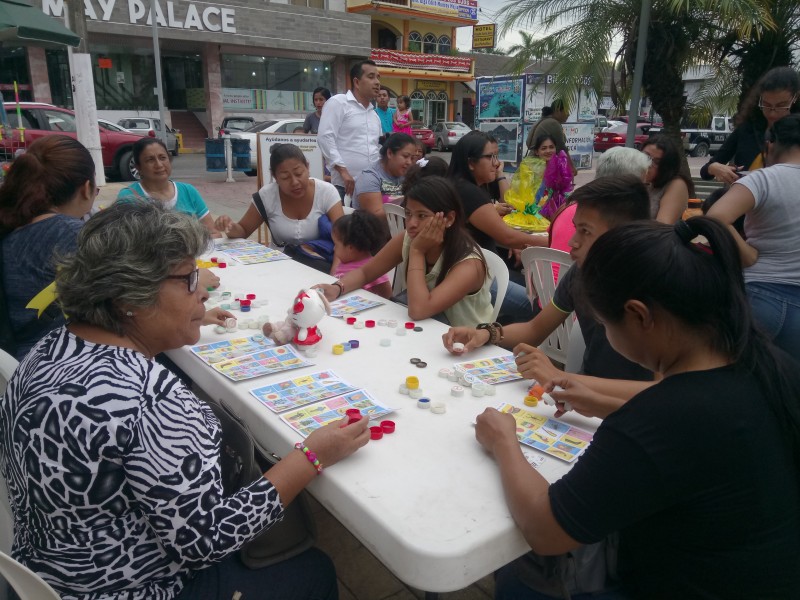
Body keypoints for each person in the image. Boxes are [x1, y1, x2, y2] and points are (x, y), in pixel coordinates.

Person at [0, 200, 371, 600]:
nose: (203, 294)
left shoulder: (49, 348)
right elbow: (206, 542)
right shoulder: (151, 400)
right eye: (189, 280)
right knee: (313, 570)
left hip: (49, 573)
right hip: (130, 588)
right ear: (132, 295)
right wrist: (311, 456)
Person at [477, 217, 800, 599]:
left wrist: (504, 442)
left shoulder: (661, 417)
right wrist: (599, 402)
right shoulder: (769, 365)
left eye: (604, 324)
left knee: (520, 578)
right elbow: (693, 438)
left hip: (683, 583)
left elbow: (546, 531)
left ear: (639, 315)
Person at [444, 176, 655, 393]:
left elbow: (662, 392)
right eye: (575, 228)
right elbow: (535, 329)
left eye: (586, 231)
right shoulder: (582, 273)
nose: (573, 241)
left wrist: (561, 377)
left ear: (623, 236)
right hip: (583, 398)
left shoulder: (654, 291)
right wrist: (487, 334)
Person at [316, 176, 492, 327]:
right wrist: (337, 288)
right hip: (427, 331)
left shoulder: (469, 264)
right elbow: (365, 272)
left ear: (449, 218)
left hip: (464, 346)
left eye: (422, 216)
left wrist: (416, 251)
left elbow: (419, 310)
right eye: (408, 214)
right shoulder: (408, 238)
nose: (412, 223)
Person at [707, 113, 800, 358]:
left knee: (736, 384)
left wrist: (747, 255)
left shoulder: (763, 178)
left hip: (760, 297)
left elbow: (715, 218)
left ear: (770, 145)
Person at [0, 136, 94, 360]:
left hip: (16, 361)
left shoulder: (12, 224)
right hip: (59, 366)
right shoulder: (70, 234)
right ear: (86, 188)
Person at [448, 131, 546, 323]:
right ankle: (500, 338)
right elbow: (506, 237)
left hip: (471, 268)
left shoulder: (465, 184)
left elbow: (506, 208)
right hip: (476, 276)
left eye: (497, 156)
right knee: (539, 304)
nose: (497, 163)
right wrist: (550, 241)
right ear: (470, 163)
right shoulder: (468, 192)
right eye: (490, 157)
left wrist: (513, 241)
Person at [215, 143, 343, 272]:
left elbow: (344, 239)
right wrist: (229, 226)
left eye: (299, 174)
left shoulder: (326, 192)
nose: (294, 182)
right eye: (285, 177)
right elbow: (243, 230)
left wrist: (335, 276)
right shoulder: (267, 196)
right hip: (278, 268)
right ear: (275, 177)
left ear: (307, 167)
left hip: (321, 267)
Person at [700, 66, 800, 184]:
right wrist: (714, 168)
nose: (772, 112)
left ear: (795, 98)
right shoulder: (747, 129)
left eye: (781, 105)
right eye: (766, 104)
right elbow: (706, 171)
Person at [117, 138, 220, 237]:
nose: (159, 165)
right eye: (150, 160)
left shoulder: (188, 191)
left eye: (162, 158)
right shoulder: (128, 197)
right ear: (138, 167)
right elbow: (125, 243)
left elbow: (214, 233)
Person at [317, 60, 382, 199]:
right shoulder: (339, 103)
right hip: (345, 187)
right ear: (357, 82)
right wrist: (344, 172)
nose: (377, 82)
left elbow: (377, 148)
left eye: (378, 77)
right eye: (371, 77)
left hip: (370, 188)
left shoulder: (374, 115)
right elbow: (325, 137)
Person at [332, 211, 392, 299]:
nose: (334, 248)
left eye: (336, 245)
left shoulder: (373, 266)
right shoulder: (345, 261)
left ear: (350, 248)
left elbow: (387, 293)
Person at [352, 133, 416, 216]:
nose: (409, 162)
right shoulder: (369, 177)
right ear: (389, 153)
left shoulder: (406, 175)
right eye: (405, 156)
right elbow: (374, 216)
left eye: (412, 158)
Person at [640, 134, 693, 223]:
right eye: (645, 156)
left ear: (666, 167)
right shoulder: (636, 178)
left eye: (656, 162)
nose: (648, 164)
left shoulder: (676, 184)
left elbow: (663, 225)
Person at [526, 101, 577, 176]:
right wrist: (571, 167)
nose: (568, 114)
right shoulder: (553, 123)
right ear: (557, 111)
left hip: (533, 163)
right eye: (566, 111)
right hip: (540, 166)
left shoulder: (543, 120)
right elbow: (562, 148)